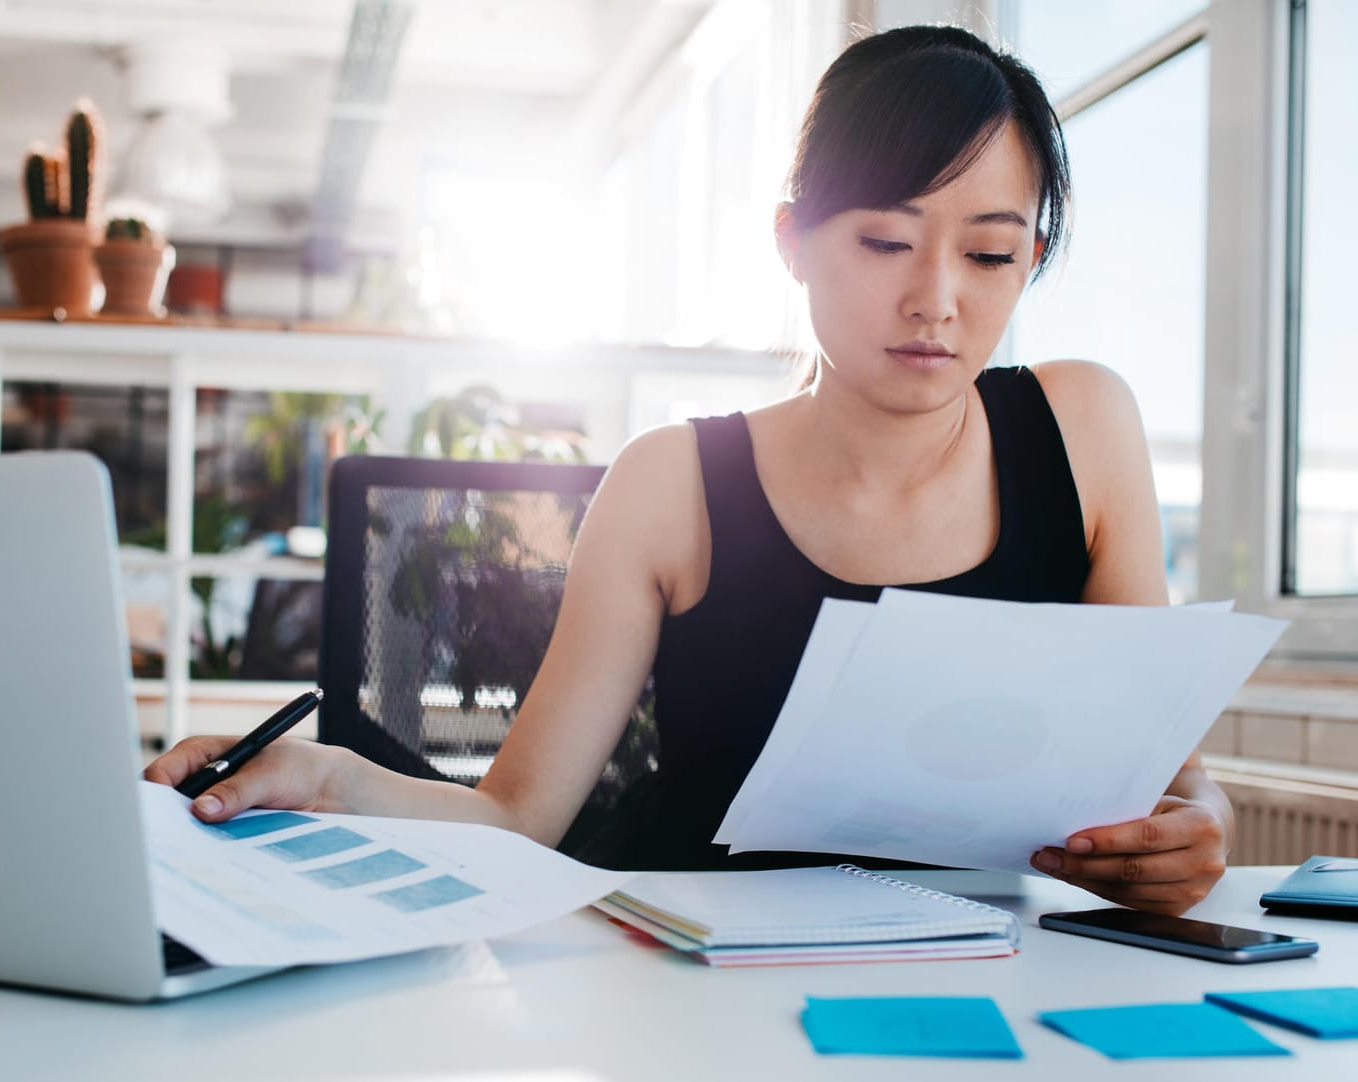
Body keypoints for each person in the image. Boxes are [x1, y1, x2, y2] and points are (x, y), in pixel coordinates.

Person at [146, 25, 1232, 916]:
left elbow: (1156, 771)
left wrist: (1201, 825)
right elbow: (521, 813)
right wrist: (332, 777)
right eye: (886, 242)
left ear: (1029, 258)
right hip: (708, 983)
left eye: (990, 253)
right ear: (792, 240)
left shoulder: (1083, 426)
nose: (938, 299)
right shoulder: (672, 482)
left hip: (1006, 984)